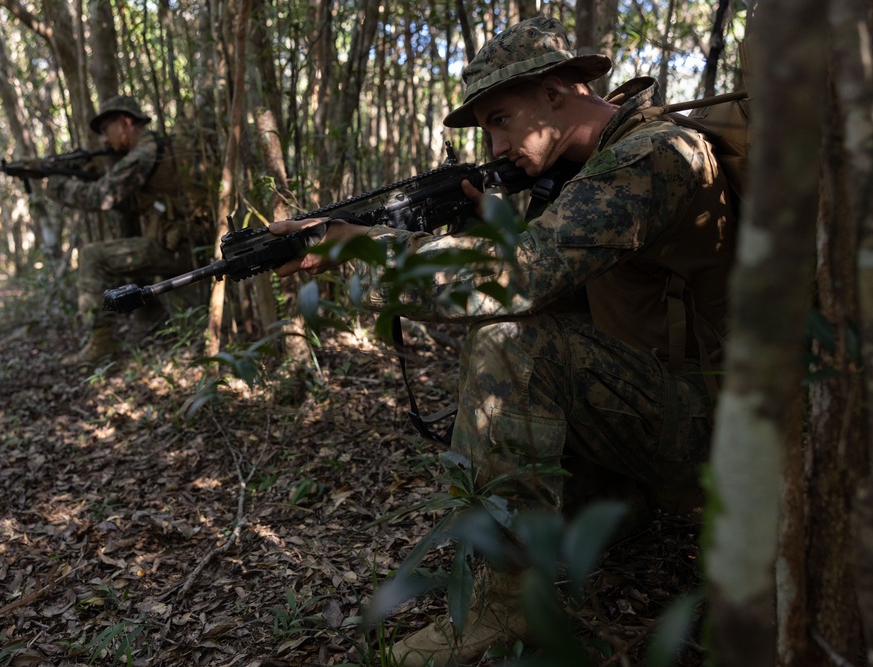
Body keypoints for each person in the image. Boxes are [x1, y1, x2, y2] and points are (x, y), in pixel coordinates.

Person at [271, 15, 735, 666]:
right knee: (523, 336)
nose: (492, 145)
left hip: (711, 428)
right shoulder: (580, 169)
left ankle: (506, 604)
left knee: (511, 344)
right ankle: (613, 502)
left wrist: (370, 253)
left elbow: (517, 278)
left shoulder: (653, 156)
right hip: (653, 405)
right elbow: (565, 293)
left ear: (556, 93)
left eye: (499, 118)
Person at [47, 95, 194, 365]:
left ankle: (101, 342)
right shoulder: (151, 150)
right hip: (176, 243)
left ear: (126, 123)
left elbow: (101, 197)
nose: (104, 140)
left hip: (177, 248)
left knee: (92, 255)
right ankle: (147, 319)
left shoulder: (144, 153)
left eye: (106, 130)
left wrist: (59, 186)